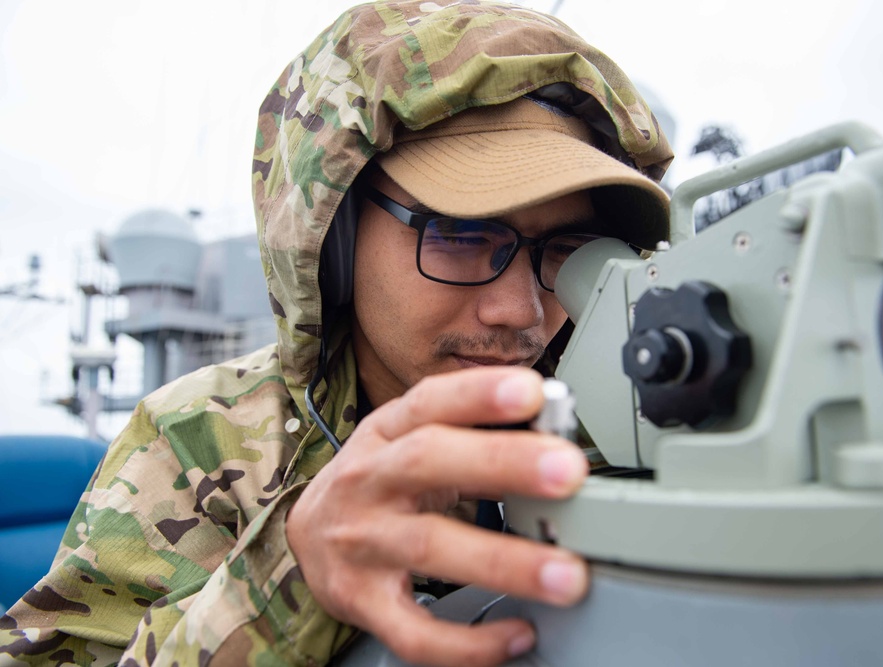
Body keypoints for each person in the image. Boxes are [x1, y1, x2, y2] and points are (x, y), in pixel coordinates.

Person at [0, 1, 673, 665]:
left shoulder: (637, 421)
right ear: (334, 236)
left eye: (568, 248)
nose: (520, 309)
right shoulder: (199, 442)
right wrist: (287, 582)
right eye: (463, 235)